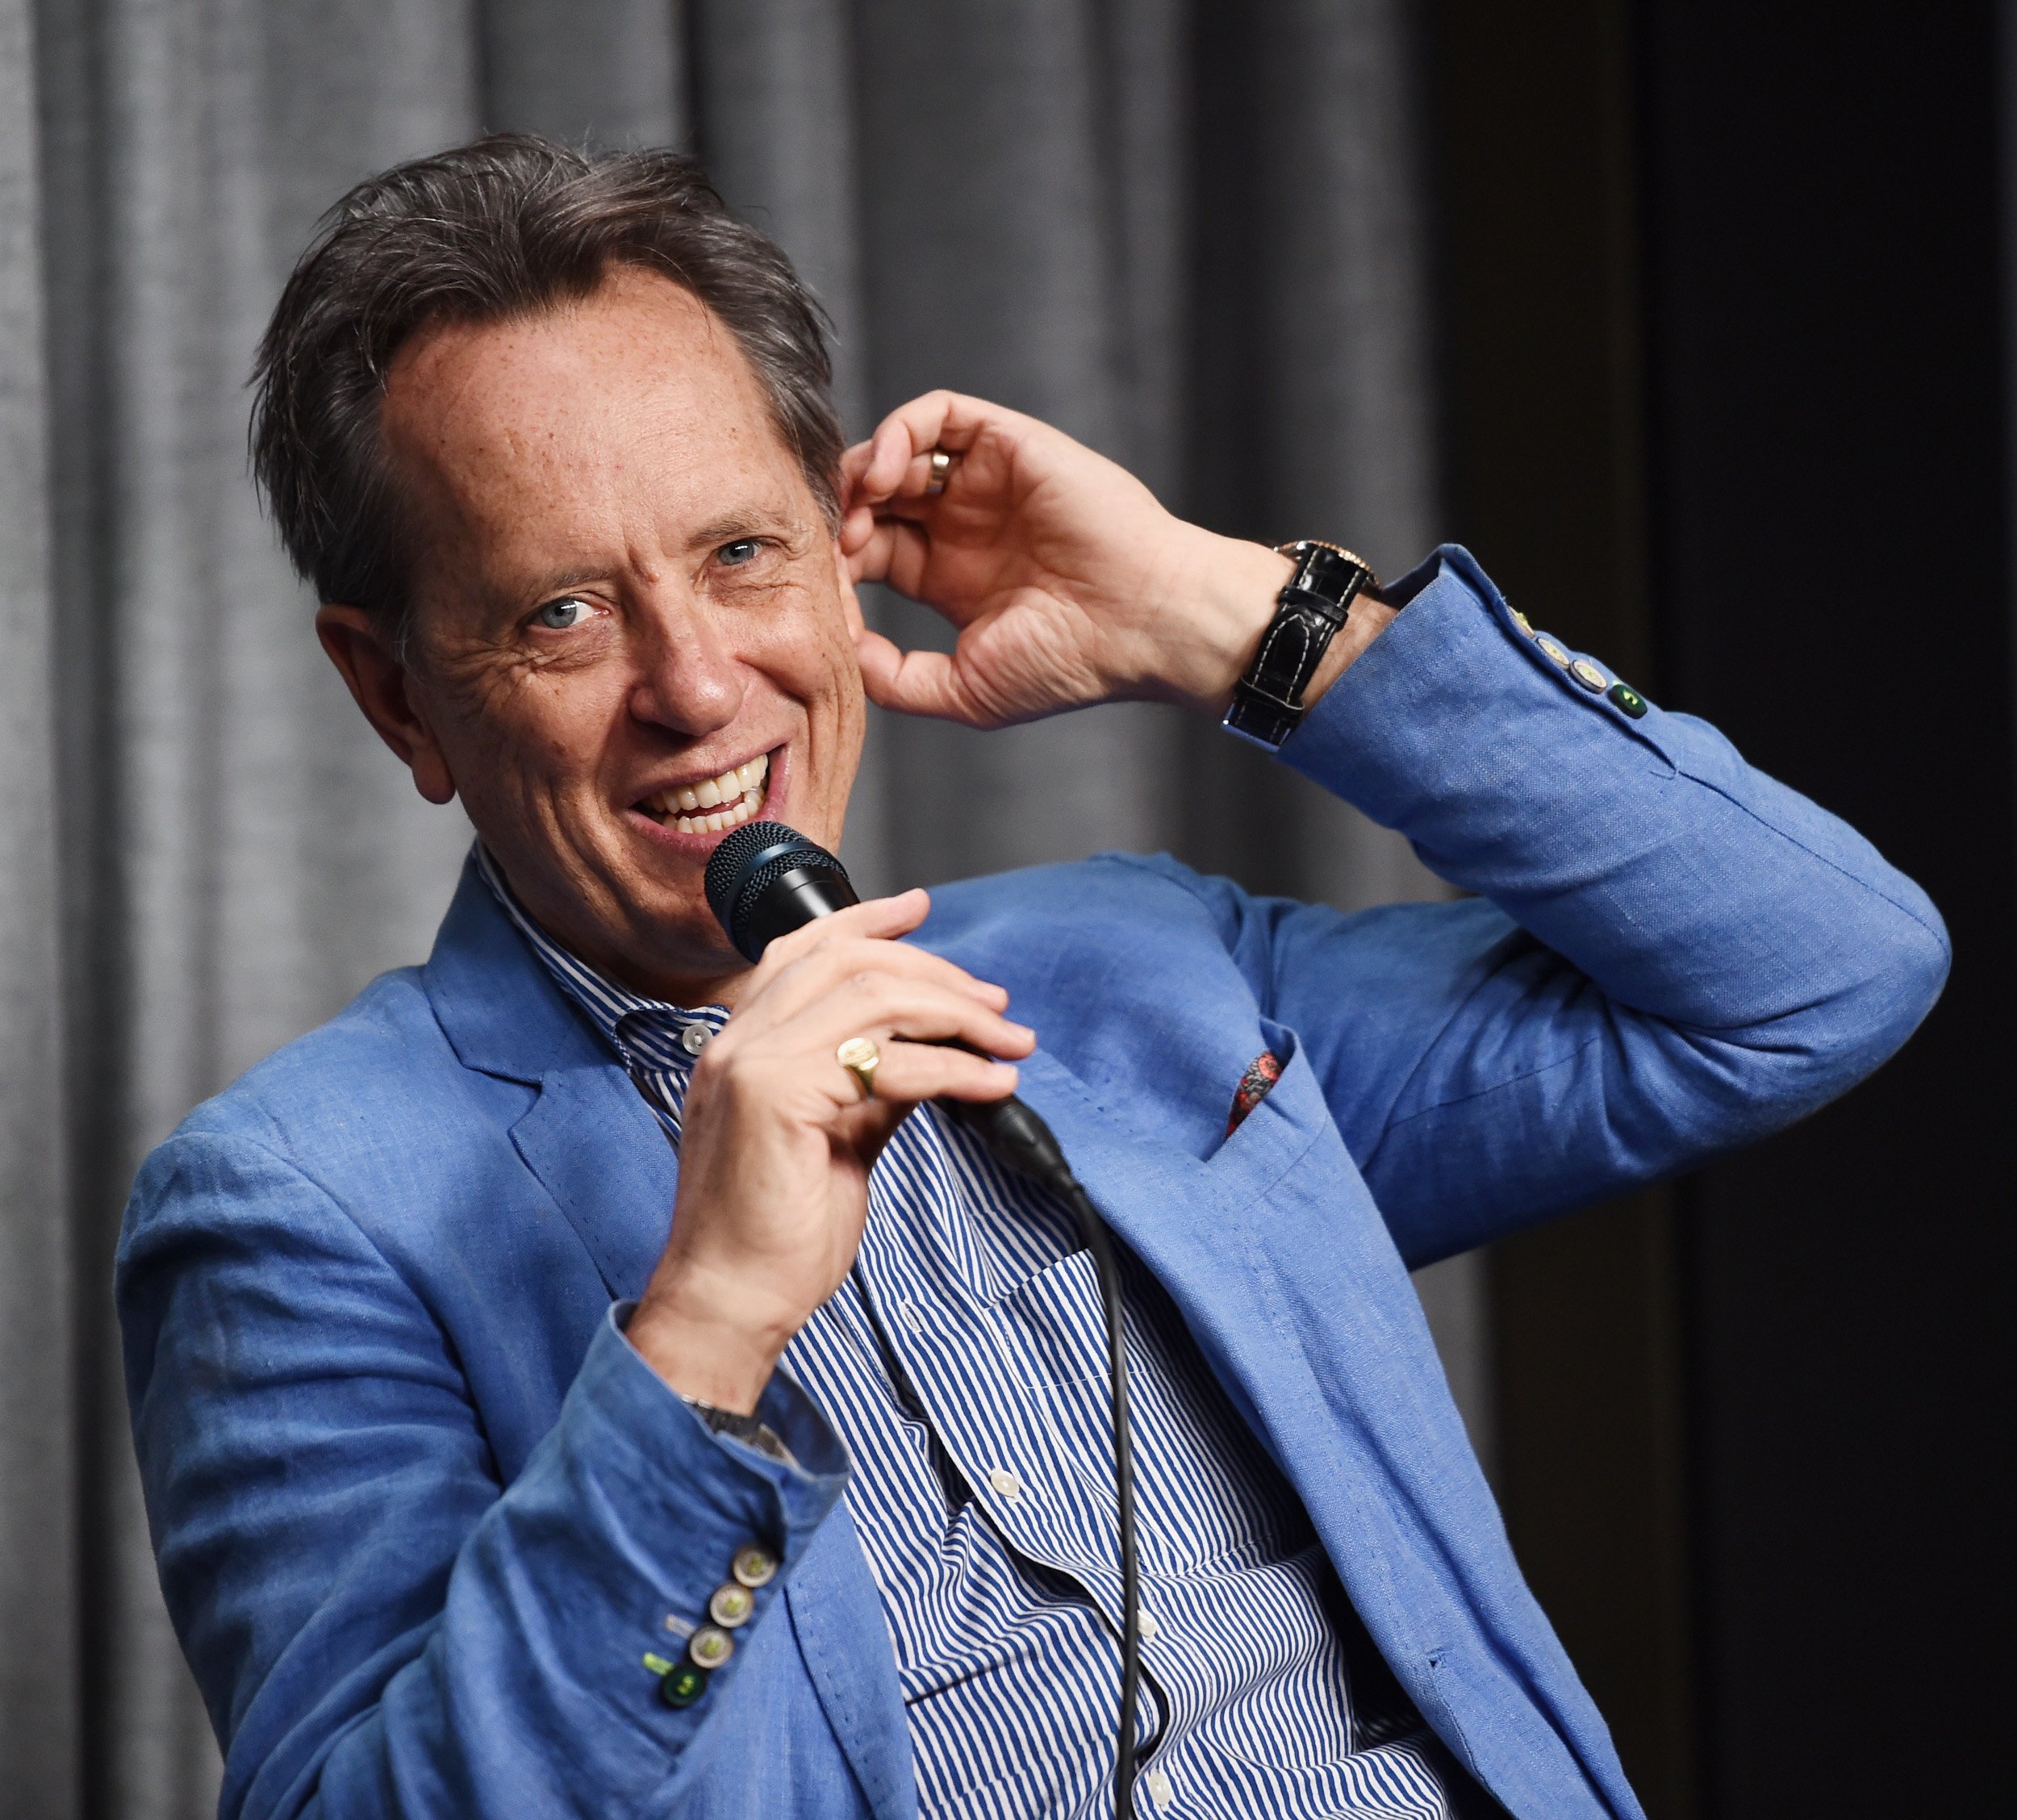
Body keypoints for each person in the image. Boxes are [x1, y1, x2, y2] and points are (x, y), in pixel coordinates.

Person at [117, 136, 1946, 1820]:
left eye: (742, 555)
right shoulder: (295, 1207)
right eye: (562, 615)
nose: (694, 686)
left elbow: (1809, 973)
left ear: (843, 571)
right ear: (392, 692)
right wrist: (704, 1332)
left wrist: (1240, 620)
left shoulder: (1140, 972)